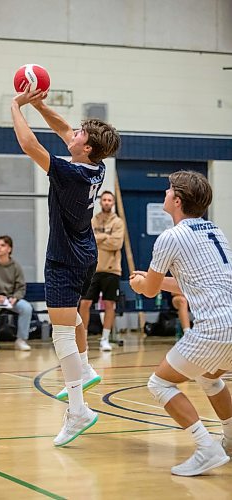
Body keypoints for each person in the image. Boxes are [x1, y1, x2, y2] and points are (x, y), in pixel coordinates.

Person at [11, 86, 120, 446]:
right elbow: (62, 130)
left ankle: (78, 410)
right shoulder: (95, 166)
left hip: (64, 259)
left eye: (79, 134)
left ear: (86, 147)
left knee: (61, 333)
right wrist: (41, 105)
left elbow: (30, 147)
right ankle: (85, 367)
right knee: (70, 318)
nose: (72, 134)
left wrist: (17, 106)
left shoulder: (69, 174)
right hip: (85, 254)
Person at [129, 170, 232, 476]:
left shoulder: (170, 237)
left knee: (159, 382)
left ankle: (206, 448)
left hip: (213, 329)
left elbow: (149, 290)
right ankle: (230, 439)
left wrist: (142, 284)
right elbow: (193, 283)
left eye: (167, 190)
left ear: (177, 199)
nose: (164, 194)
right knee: (210, 377)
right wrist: (154, 282)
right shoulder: (216, 232)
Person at [79, 190, 124, 351]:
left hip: (112, 270)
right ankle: (82, 337)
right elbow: (87, 241)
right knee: (84, 303)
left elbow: (117, 244)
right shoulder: (93, 220)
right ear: (100, 202)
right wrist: (105, 238)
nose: (106, 202)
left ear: (113, 203)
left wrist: (98, 240)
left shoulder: (118, 222)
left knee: (109, 304)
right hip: (92, 268)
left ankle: (105, 338)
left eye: (109, 200)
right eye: (104, 199)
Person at [0, 235, 33, 352]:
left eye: (2, 245)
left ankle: (21, 340)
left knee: (27, 308)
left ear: (9, 249)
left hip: (11, 300)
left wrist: (15, 298)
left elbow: (21, 287)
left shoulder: (16, 267)